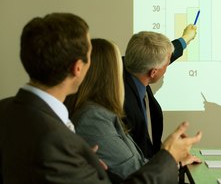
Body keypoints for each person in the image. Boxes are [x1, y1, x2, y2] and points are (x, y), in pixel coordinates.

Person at [0, 12, 202, 184]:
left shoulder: (6, 109)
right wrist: (168, 156)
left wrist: (86, 167)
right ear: (78, 68)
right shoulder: (56, 140)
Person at [68, 38, 201, 180]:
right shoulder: (93, 118)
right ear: (112, 74)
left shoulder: (103, 112)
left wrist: (175, 160)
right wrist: (170, 156)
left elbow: (137, 164)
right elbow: (134, 172)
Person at [123, 26, 197, 158]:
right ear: (153, 72)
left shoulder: (129, 65)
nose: (169, 62)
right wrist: (170, 155)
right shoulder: (127, 106)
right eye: (167, 62)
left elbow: (161, 54)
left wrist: (186, 38)